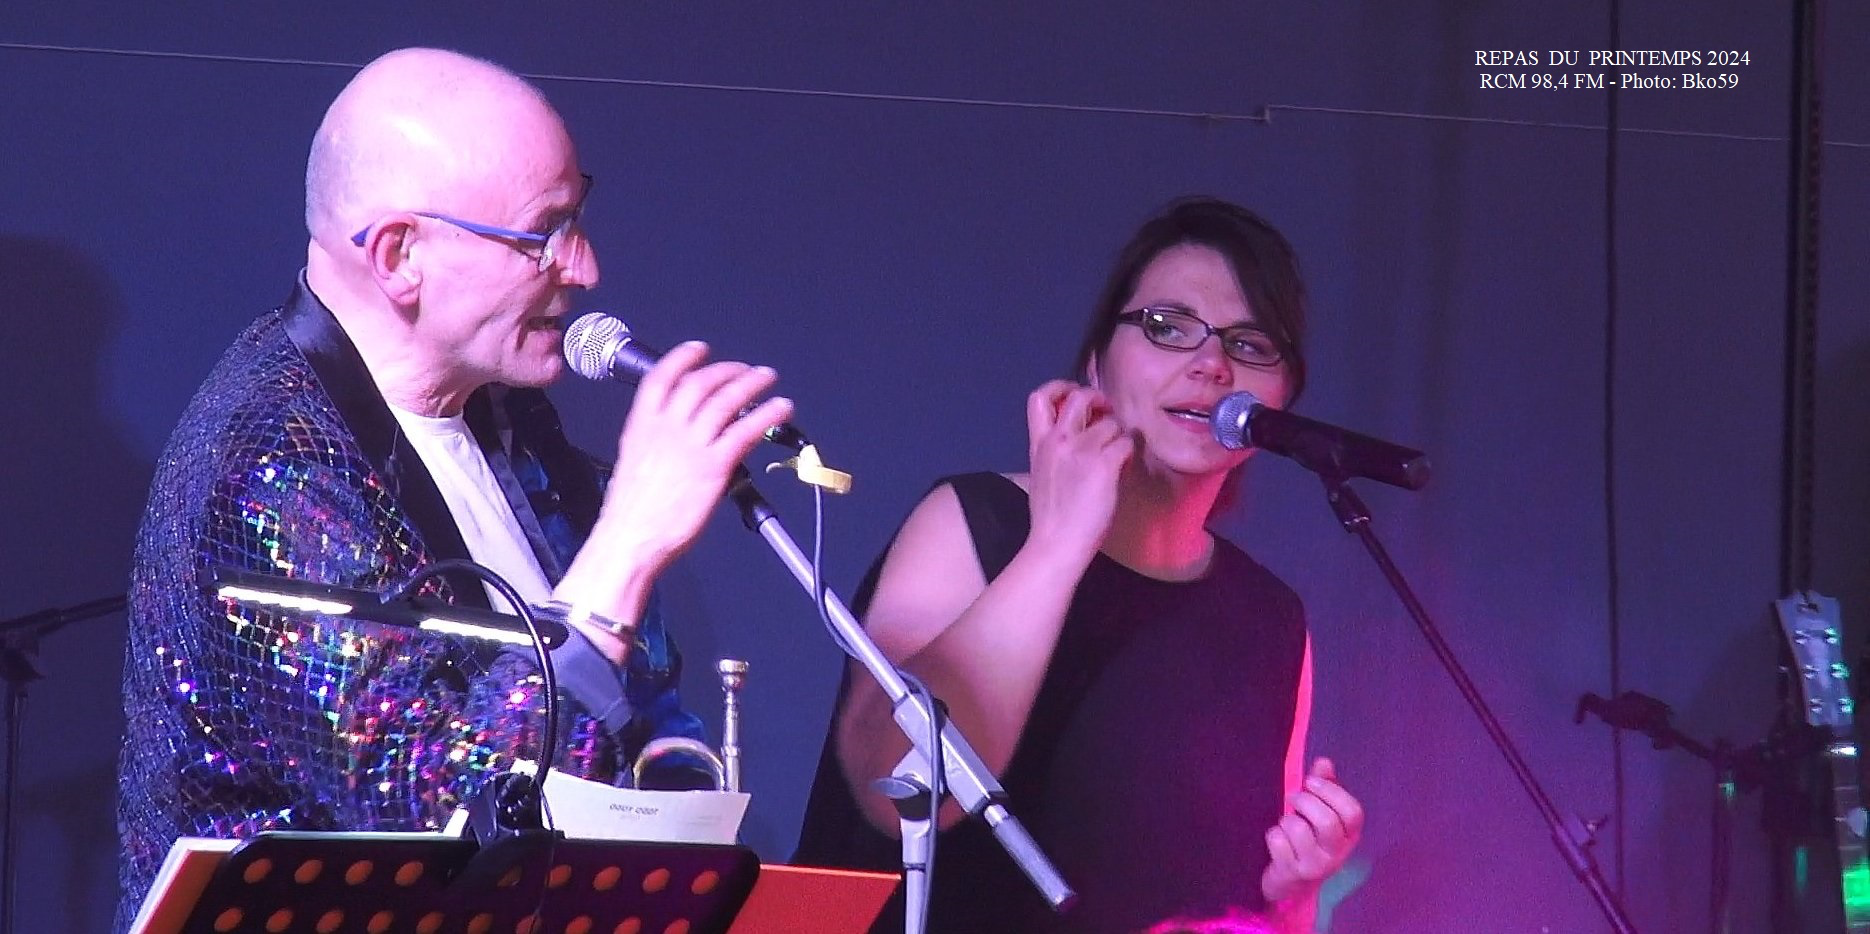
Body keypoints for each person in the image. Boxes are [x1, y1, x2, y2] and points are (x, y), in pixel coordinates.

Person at [115, 48, 792, 928]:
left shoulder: (509, 416)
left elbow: (633, 706)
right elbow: (450, 814)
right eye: (545, 233)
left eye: (578, 217)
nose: (584, 268)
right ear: (400, 255)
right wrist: (628, 542)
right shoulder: (266, 465)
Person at [794, 197, 1363, 933]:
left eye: (1250, 344)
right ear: (1097, 362)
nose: (1211, 364)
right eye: (1168, 327)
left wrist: (1291, 895)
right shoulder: (976, 521)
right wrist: (1058, 543)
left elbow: (1240, 915)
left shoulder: (1269, 620)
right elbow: (898, 786)